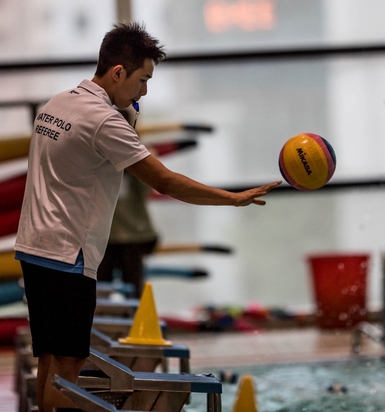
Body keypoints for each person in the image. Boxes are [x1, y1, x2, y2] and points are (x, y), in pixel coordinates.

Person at [14, 22, 280, 412]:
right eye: (142, 80)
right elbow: (165, 181)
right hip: (68, 255)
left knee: (49, 360)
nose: (144, 92)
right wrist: (232, 198)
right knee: (69, 368)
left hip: (34, 248)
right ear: (117, 72)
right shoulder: (103, 120)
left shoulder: (57, 104)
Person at [97, 107, 158, 298]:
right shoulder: (93, 152)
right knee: (99, 290)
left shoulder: (141, 152)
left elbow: (148, 187)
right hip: (102, 234)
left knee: (133, 289)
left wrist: (131, 158)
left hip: (133, 233)